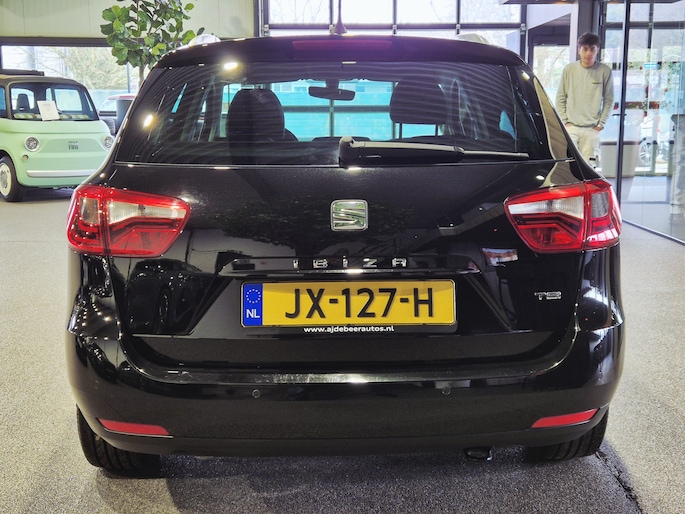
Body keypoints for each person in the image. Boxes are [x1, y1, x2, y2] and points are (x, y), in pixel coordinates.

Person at [555, 32, 614, 165]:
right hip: (571, 128)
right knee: (568, 165)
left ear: (597, 50)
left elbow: (609, 99)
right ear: (579, 50)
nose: (588, 53)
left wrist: (601, 124)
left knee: (589, 167)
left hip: (592, 129)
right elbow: (560, 97)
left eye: (592, 49)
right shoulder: (569, 69)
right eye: (585, 49)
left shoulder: (604, 71)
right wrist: (565, 121)